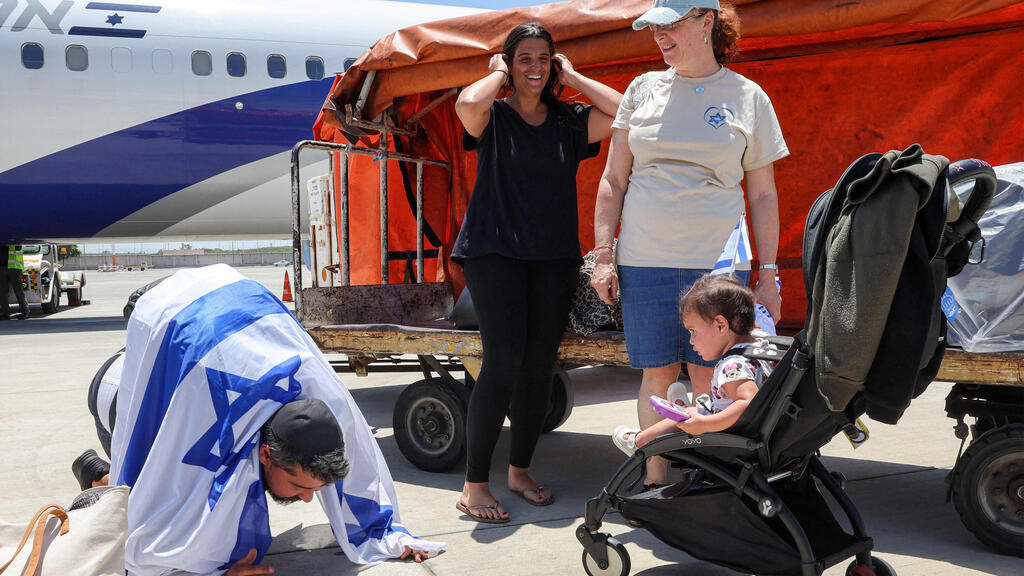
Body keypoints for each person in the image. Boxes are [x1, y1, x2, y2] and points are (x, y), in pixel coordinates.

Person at [70, 265, 439, 576]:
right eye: (299, 486)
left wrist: (387, 534)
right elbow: (147, 550)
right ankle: (99, 476)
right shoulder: (197, 432)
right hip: (117, 390)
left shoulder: (322, 398)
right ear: (264, 452)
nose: (310, 500)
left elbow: (361, 469)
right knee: (142, 494)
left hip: (203, 316)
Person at [590, 0, 788, 488]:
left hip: (719, 266)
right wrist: (603, 256)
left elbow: (762, 193)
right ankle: (656, 480)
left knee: (709, 378)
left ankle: (703, 481)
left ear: (706, 23)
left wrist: (768, 275)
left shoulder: (748, 96)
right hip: (645, 259)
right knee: (656, 376)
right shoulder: (641, 89)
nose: (659, 37)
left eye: (671, 25)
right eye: (654, 29)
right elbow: (613, 180)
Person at [451, 22, 622, 523]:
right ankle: (474, 484)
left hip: (553, 258)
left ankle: (519, 472)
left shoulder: (568, 120)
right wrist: (499, 72)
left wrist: (574, 75)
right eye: (523, 58)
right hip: (493, 253)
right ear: (508, 63)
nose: (534, 67)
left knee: (538, 366)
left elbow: (622, 112)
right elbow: (466, 107)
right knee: (502, 361)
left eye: (542, 58)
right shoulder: (495, 116)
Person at [613, 274, 775, 451]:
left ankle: (640, 441)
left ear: (721, 325)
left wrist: (705, 423)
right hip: (757, 428)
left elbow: (747, 403)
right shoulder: (764, 344)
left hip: (724, 435)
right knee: (692, 411)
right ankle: (684, 407)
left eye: (693, 331)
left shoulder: (733, 367)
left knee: (688, 416)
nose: (691, 341)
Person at [1, 245, 30, 320]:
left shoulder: (14, 238)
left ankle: (25, 312)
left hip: (14, 267)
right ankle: (6, 314)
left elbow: (18, 248)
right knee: (3, 292)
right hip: (3, 267)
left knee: (18, 291)